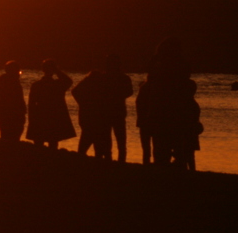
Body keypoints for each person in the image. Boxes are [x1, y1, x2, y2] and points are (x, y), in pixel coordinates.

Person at [135, 37, 191, 165]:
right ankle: (173, 165)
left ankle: (162, 165)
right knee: (173, 143)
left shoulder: (159, 67)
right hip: (171, 110)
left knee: (161, 144)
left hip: (162, 110)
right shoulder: (179, 65)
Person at [72, 54, 134, 161]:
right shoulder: (109, 77)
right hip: (109, 113)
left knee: (116, 139)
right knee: (111, 139)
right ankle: (112, 159)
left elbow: (129, 92)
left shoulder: (117, 78)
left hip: (112, 113)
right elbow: (129, 92)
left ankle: (113, 159)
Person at [27, 59, 75, 149]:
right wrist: (57, 70)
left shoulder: (37, 85)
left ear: (43, 70)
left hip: (40, 117)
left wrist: (31, 119)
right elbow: (68, 81)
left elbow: (31, 105)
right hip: (53, 117)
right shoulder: (57, 85)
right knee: (53, 142)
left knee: (39, 143)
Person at [0, 60, 26, 142]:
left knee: (7, 137)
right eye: (18, 71)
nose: (19, 74)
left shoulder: (5, 81)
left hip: (7, 115)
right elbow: (18, 99)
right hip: (11, 115)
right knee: (11, 136)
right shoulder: (11, 82)